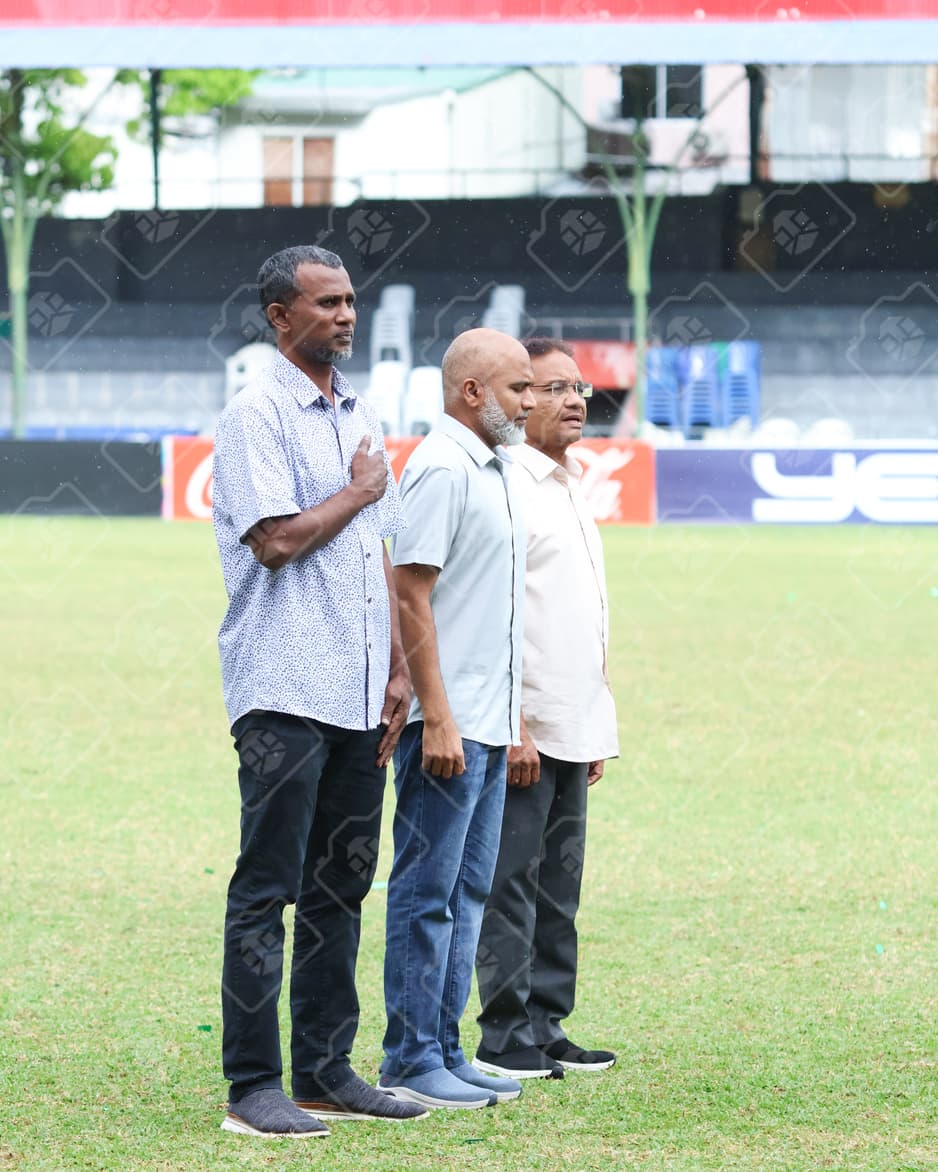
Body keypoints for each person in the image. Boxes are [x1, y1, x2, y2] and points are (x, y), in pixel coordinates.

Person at [211, 244, 427, 1138]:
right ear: (278, 317)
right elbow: (276, 542)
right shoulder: (255, 414)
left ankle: (327, 1070)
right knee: (268, 887)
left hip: (353, 690)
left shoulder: (356, 411)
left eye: (350, 301)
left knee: (342, 883)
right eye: (327, 303)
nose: (345, 315)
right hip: (282, 687)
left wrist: (402, 665)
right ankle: (253, 1085)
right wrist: (361, 487)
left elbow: (371, 548)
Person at [376, 328, 536, 1110]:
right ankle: (408, 1057)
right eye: (519, 389)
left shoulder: (495, 469)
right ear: (472, 392)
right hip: (450, 724)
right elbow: (409, 593)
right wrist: (436, 717)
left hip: (487, 719)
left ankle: (444, 1048)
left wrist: (509, 721)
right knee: (426, 890)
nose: (531, 402)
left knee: (468, 890)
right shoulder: (441, 468)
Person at [473, 337, 619, 1081]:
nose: (573, 401)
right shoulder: (510, 488)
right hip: (523, 725)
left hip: (575, 720)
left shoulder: (569, 485)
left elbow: (578, 613)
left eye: (580, 388)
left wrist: (595, 720)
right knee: (511, 882)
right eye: (554, 387)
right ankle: (502, 1034)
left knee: (560, 885)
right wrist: (517, 724)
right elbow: (495, 614)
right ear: (521, 400)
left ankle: (544, 1020)